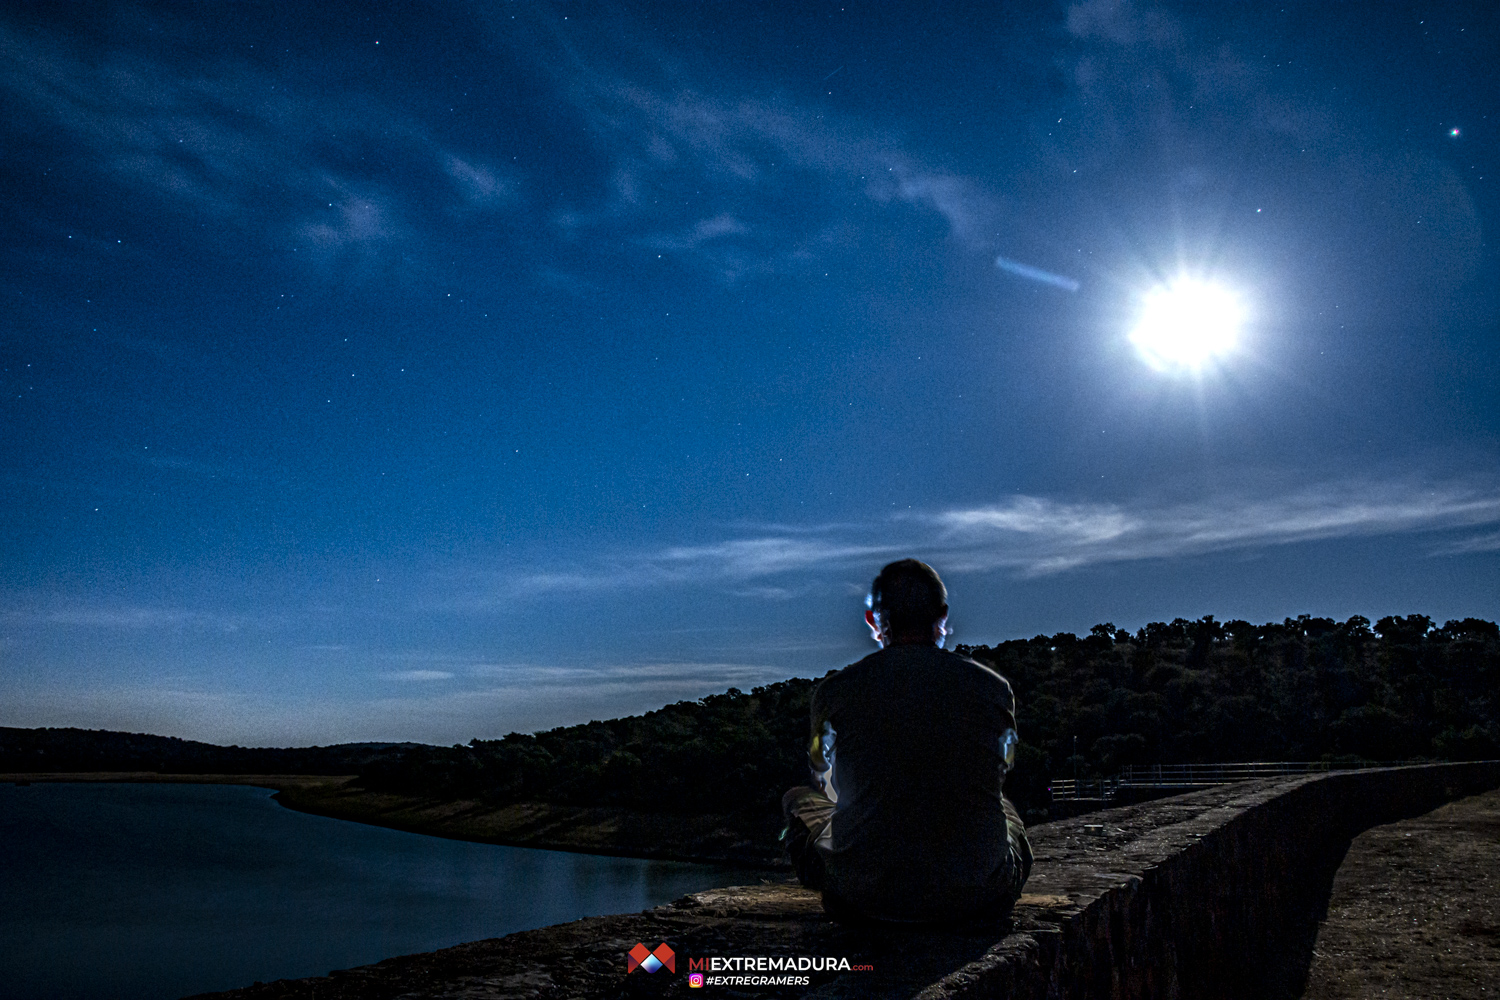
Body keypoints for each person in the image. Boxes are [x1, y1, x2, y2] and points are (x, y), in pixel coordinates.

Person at [781, 559, 1032, 923]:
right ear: (941, 616)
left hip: (862, 897)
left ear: (873, 620)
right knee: (1006, 809)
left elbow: (822, 774)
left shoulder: (834, 691)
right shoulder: (993, 688)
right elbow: (1002, 767)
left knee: (796, 800)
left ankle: (846, 874)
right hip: (977, 895)